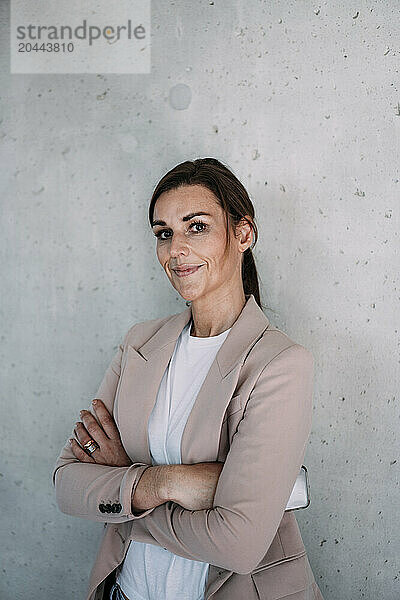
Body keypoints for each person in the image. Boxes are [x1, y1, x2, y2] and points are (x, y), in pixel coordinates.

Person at [53, 157, 324, 600]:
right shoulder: (139, 344)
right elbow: (67, 484)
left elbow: (238, 545)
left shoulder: (280, 364)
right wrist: (165, 482)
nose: (175, 249)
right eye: (164, 233)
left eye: (196, 226)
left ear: (243, 233)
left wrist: (125, 486)